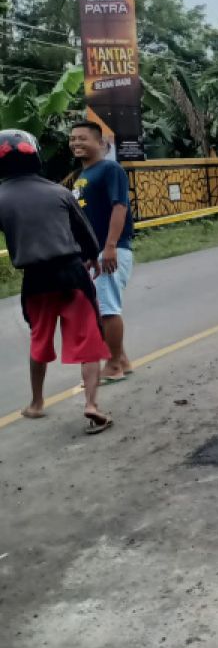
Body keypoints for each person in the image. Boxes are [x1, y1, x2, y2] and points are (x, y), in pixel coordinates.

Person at [0, 129, 113, 434]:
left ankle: (36, 403)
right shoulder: (58, 192)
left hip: (36, 281)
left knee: (39, 340)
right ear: (34, 154)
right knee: (89, 340)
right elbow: (86, 234)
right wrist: (91, 257)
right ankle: (92, 405)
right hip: (72, 273)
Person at [69, 121, 134, 384]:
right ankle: (124, 360)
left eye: (82, 138)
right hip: (93, 253)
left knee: (108, 310)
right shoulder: (82, 176)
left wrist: (109, 246)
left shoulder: (110, 169)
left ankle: (114, 364)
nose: (76, 143)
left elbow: (120, 207)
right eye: (72, 139)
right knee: (100, 309)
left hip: (110, 250)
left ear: (101, 143)